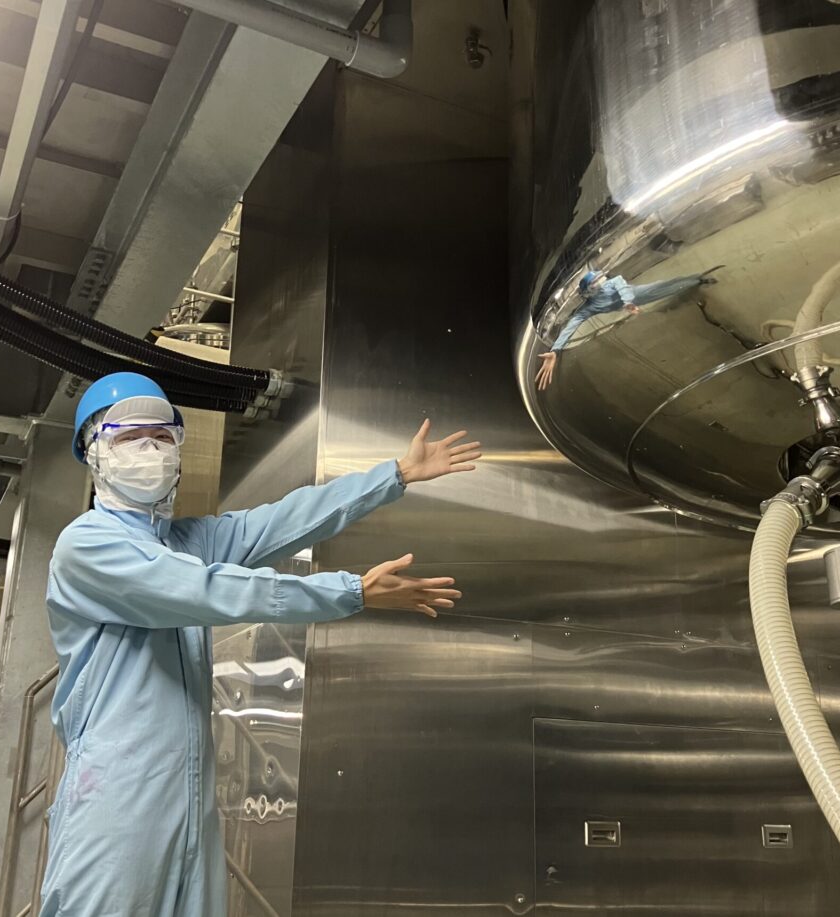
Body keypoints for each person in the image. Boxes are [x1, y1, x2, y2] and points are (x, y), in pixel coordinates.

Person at [40, 372, 481, 917]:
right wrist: (350, 591)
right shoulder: (86, 546)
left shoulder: (185, 541)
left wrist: (394, 475)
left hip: (189, 794)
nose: (150, 450)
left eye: (162, 436)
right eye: (131, 437)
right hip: (117, 795)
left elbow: (281, 522)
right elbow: (206, 591)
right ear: (94, 452)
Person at [535, 266, 724, 390]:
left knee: (663, 285)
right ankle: (695, 281)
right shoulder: (589, 308)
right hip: (633, 302)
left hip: (635, 294)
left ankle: (697, 278)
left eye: (600, 278)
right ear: (589, 290)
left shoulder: (610, 283)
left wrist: (627, 302)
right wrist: (555, 351)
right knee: (667, 290)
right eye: (596, 281)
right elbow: (571, 326)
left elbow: (621, 284)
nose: (601, 281)